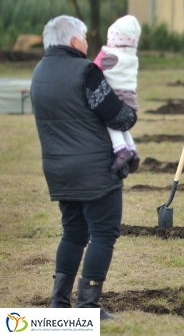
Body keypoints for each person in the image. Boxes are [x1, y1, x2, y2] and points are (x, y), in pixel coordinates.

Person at [31, 16, 138, 319]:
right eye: (85, 37)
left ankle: (59, 302)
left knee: (73, 233)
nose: (88, 43)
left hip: (58, 170)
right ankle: (88, 305)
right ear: (74, 41)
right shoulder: (86, 72)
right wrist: (129, 109)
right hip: (95, 171)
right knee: (103, 234)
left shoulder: (39, 72)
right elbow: (120, 118)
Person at [92, 15, 142, 173]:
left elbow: (94, 69)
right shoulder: (130, 57)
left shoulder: (111, 57)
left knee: (111, 123)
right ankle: (132, 150)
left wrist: (103, 52)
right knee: (123, 127)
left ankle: (121, 150)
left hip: (117, 100)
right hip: (130, 101)